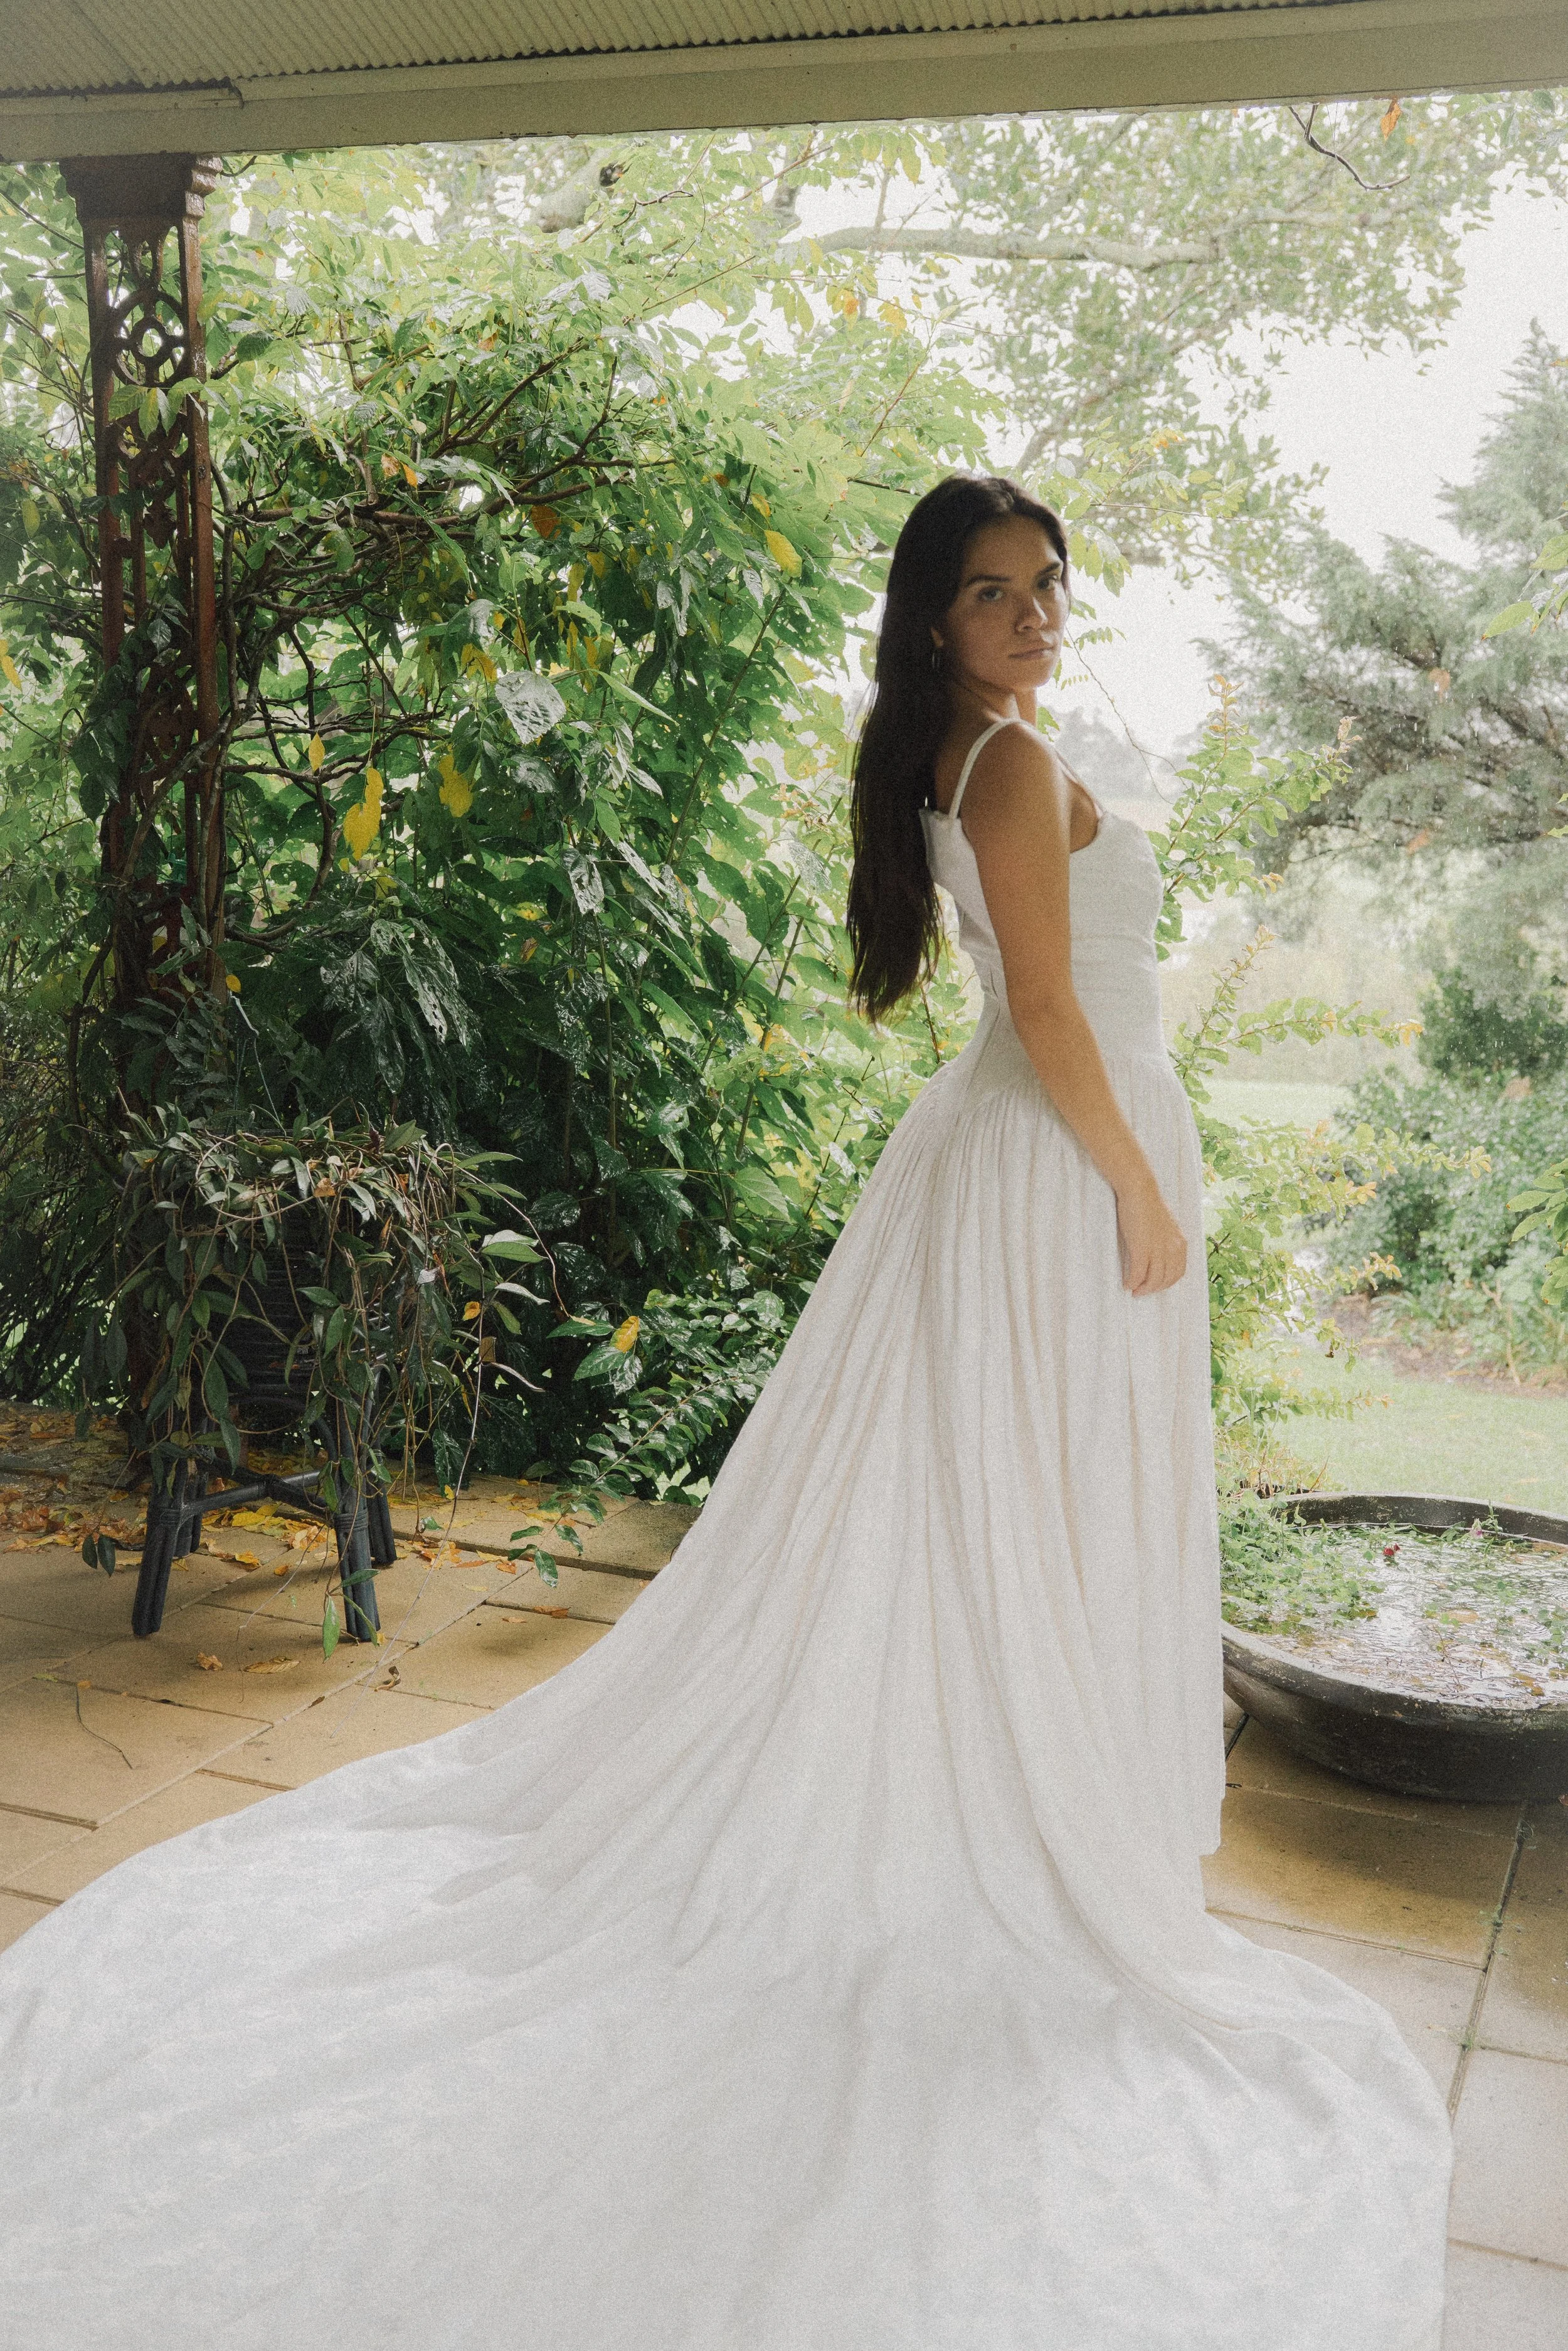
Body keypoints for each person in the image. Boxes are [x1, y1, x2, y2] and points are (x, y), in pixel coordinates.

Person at [0, 474, 1451, 2348]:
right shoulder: (1001, 762)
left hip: (1016, 1165)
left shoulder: (951, 746)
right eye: (996, 592)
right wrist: (1141, 1191)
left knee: (1005, 1502)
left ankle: (1019, 1774)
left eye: (1046, 585)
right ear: (935, 616)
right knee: (1031, 1497)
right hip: (1055, 1160)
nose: (1035, 614)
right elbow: (1051, 1022)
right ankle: (1010, 1806)